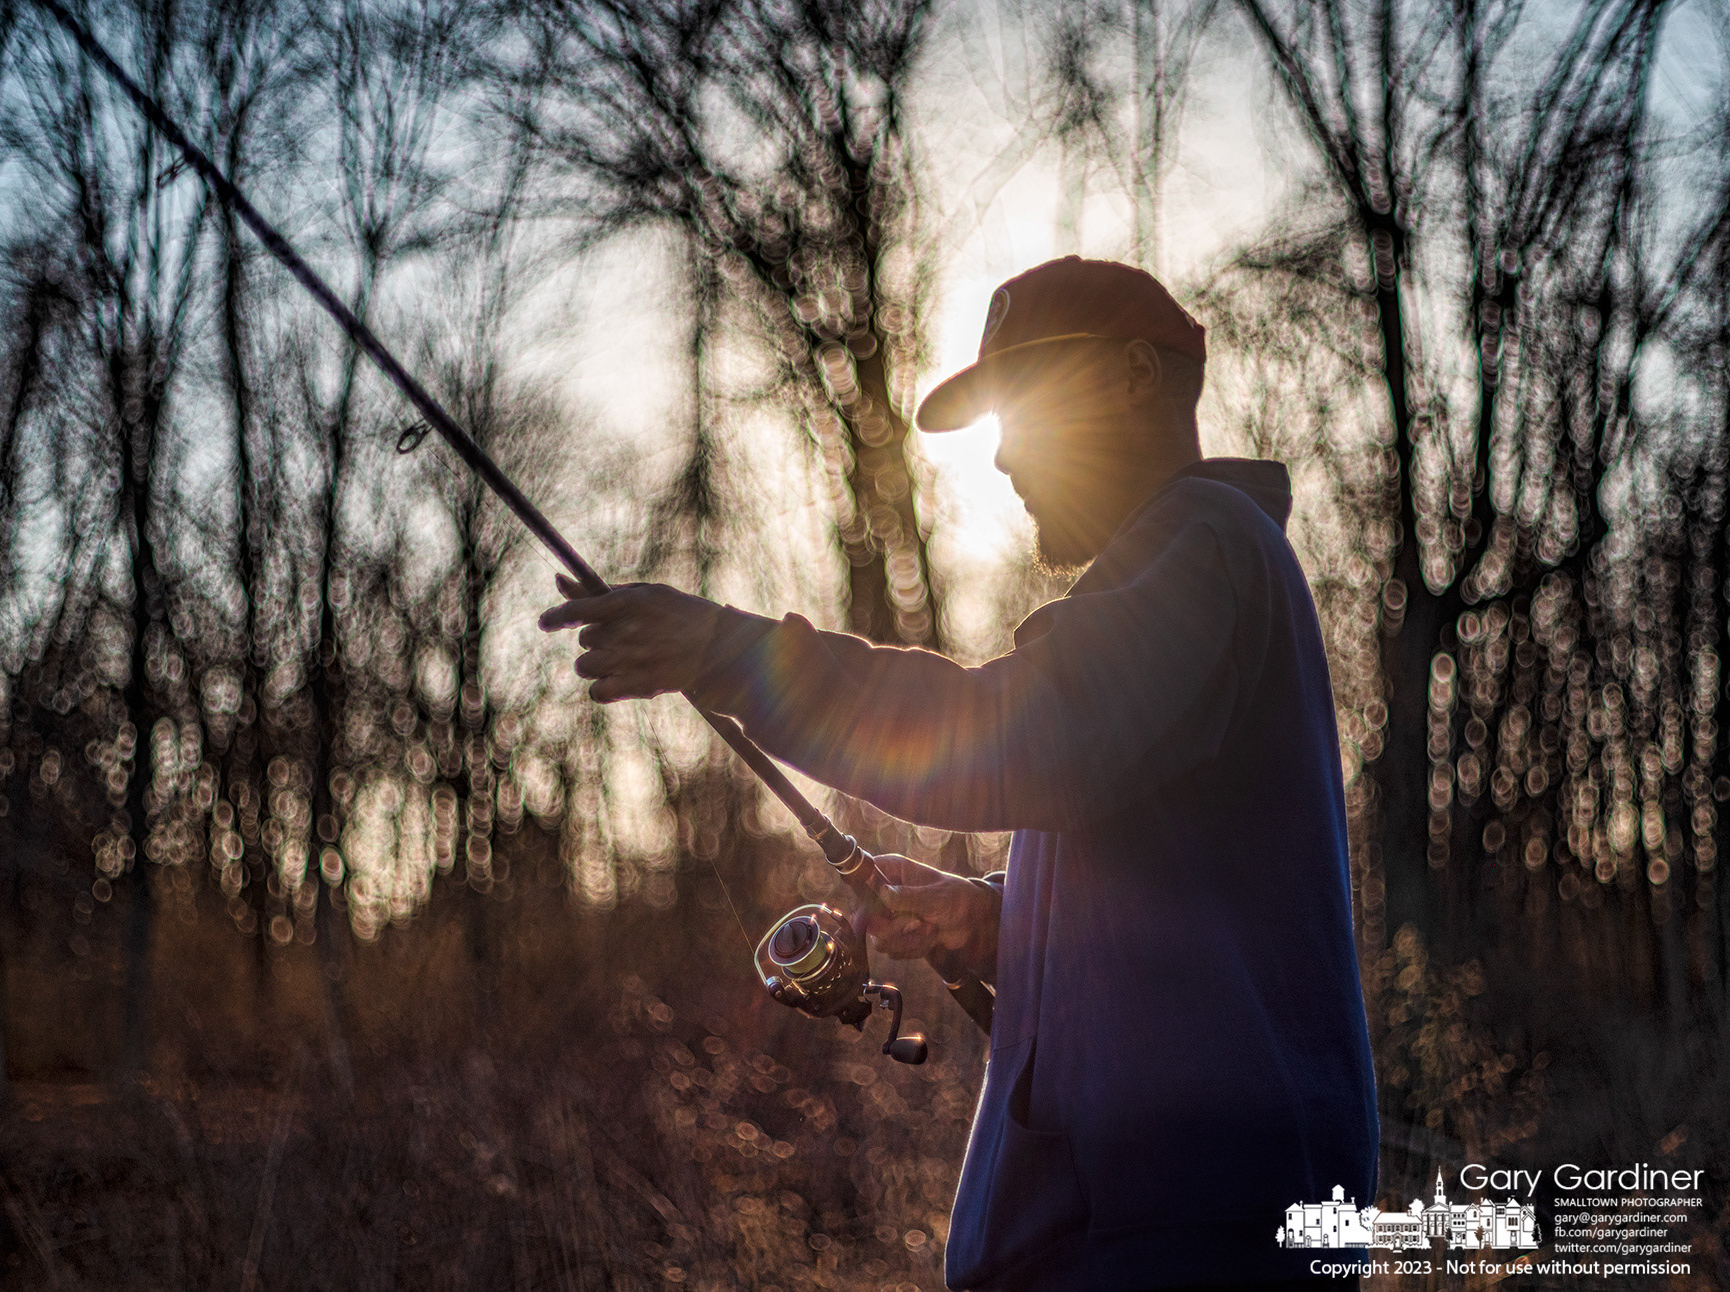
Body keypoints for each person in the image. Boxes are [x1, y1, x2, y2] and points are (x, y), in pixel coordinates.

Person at [540, 257, 1379, 1291]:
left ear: (1133, 376)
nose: (1006, 458)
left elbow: (1013, 735)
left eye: (1025, 406)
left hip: (1183, 1232)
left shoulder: (1205, 548)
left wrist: (731, 653)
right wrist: (994, 917)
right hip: (1126, 1228)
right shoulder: (1172, 580)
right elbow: (1170, 896)